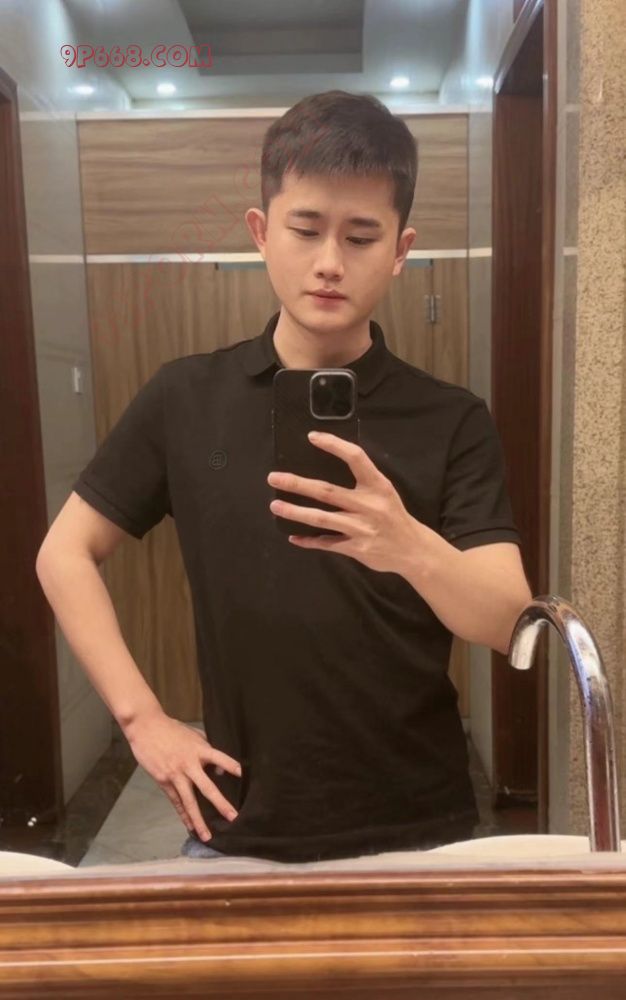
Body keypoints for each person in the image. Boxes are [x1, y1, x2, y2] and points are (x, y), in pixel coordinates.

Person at [35, 90, 531, 865]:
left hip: (419, 826)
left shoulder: (452, 419)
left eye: (361, 236)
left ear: (401, 250)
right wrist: (142, 720)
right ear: (261, 233)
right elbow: (63, 552)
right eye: (305, 230)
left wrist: (407, 545)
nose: (330, 262)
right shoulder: (184, 397)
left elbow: (507, 621)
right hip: (241, 823)